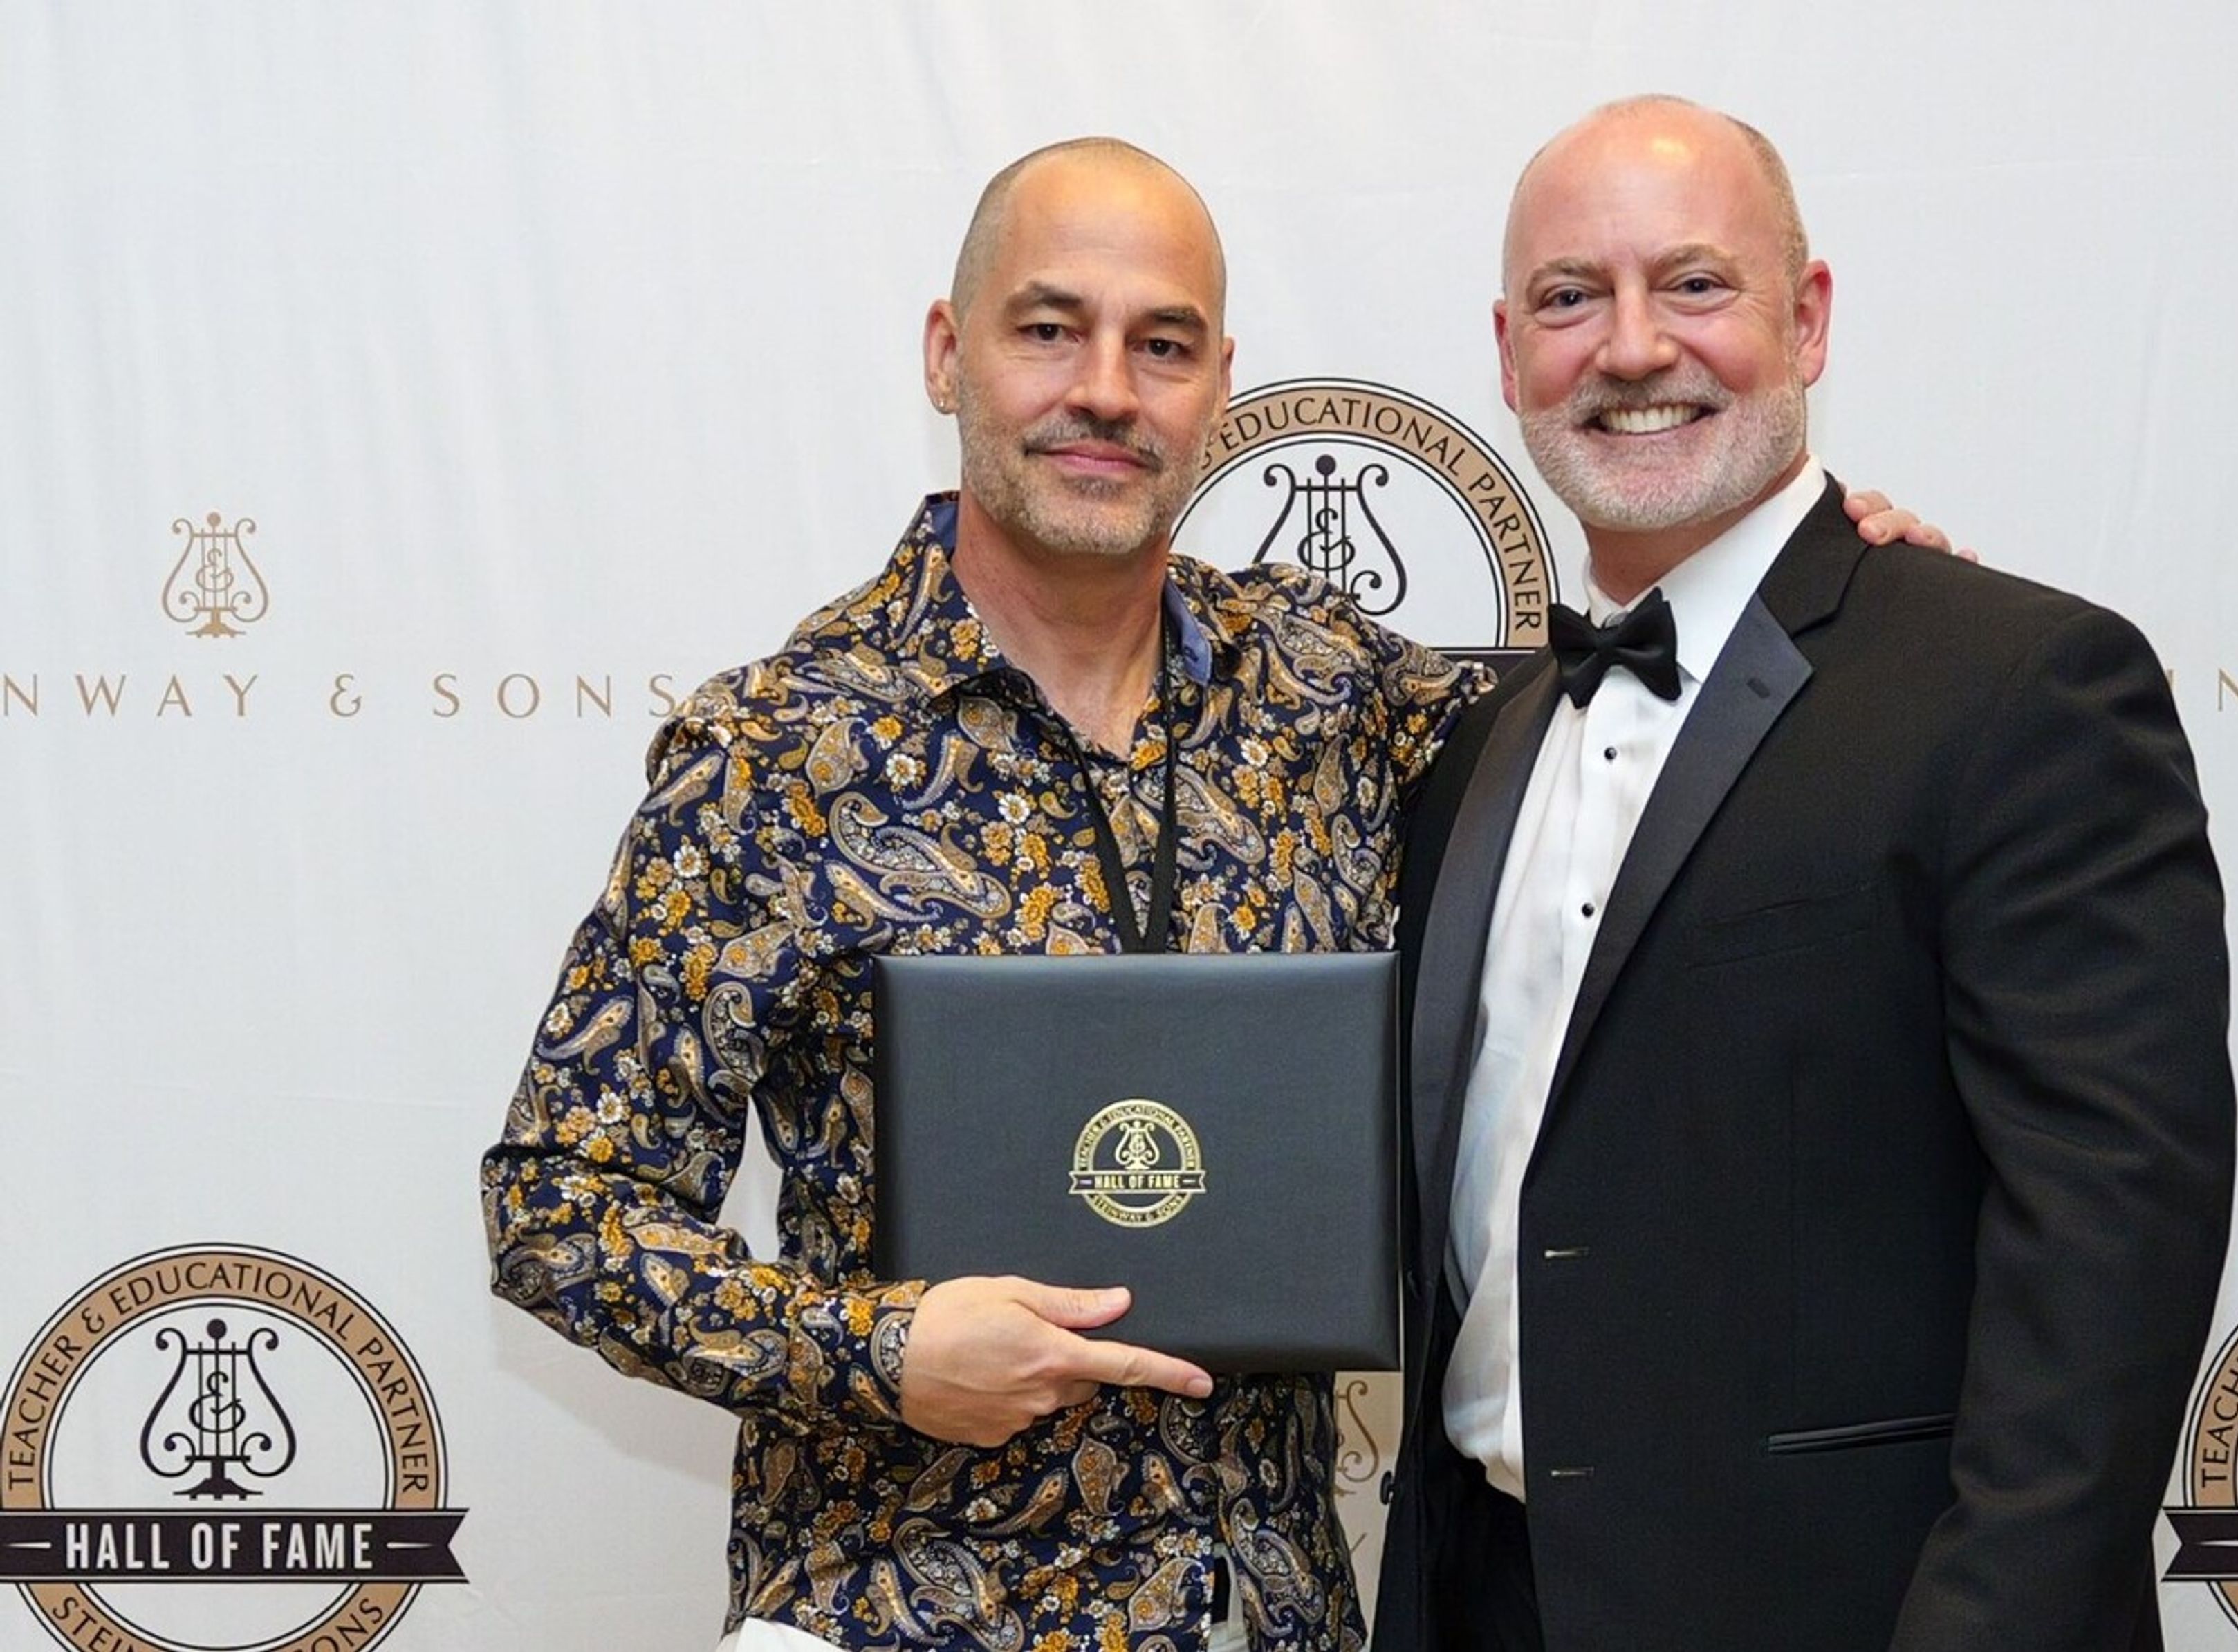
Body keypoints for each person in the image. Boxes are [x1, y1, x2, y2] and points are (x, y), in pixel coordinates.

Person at [479, 131, 1950, 1651]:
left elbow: (1657, 733)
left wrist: (1827, 587)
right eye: (1050, 327)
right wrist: (881, 1345)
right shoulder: (774, 749)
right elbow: (556, 1207)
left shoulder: (1336, 692)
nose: (1106, 388)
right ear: (947, 352)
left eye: (1161, 343)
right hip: (901, 1615)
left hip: (1274, 1617)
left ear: (1218, 385)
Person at [1374, 98, 2236, 1651]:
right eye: (1572, 299)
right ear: (1509, 358)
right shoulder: (1475, 747)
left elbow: (2108, 1271)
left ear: (1809, 318)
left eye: (1694, 285)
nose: (1632, 348)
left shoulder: (2016, 686)